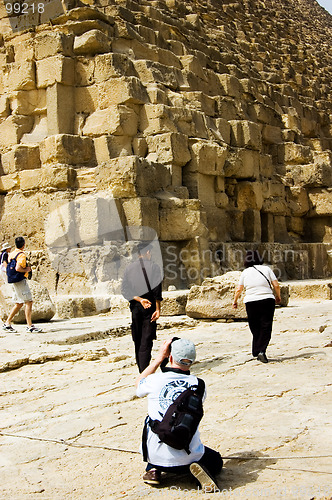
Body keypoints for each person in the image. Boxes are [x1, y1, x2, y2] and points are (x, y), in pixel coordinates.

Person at [135, 337, 223, 491]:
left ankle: (153, 470)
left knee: (154, 421)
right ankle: (198, 471)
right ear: (193, 361)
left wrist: (158, 359)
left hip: (157, 455)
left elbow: (139, 383)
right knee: (216, 460)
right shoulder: (198, 385)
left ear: (170, 357)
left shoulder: (155, 380)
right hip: (189, 453)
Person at [232, 249, 281, 363]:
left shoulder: (245, 272)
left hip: (251, 301)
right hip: (267, 299)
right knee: (266, 325)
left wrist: (235, 301)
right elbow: (276, 285)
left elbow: (239, 289)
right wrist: (278, 296)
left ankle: (256, 350)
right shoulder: (267, 269)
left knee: (254, 325)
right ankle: (261, 351)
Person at [121, 242, 163, 372]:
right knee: (147, 339)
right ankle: (143, 371)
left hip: (135, 308)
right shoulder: (154, 267)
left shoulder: (128, 269)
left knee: (137, 338)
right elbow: (157, 290)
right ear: (148, 253)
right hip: (149, 307)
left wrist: (139, 300)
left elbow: (124, 290)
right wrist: (158, 309)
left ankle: (141, 368)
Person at [2, 236, 42, 333]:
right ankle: (30, 326)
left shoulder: (11, 254)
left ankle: (7, 323)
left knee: (19, 303)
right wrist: (27, 270)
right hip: (20, 280)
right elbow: (18, 268)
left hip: (14, 281)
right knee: (29, 302)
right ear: (24, 244)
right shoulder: (21, 255)